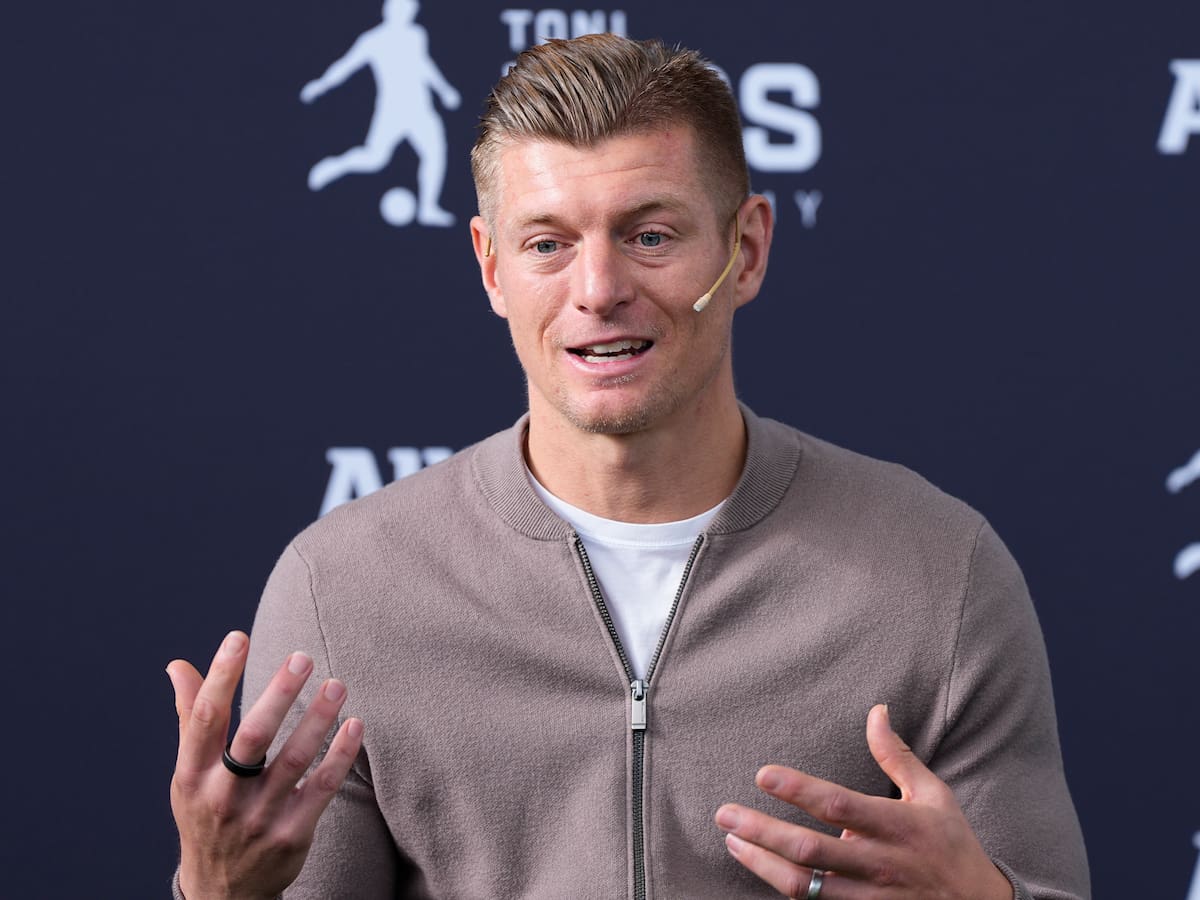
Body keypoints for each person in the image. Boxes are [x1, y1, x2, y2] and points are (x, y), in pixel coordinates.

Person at [167, 34, 1090, 900]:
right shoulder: (344, 590)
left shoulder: (938, 571)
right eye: (547, 244)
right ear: (491, 268)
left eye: (650, 236)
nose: (600, 290)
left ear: (747, 250)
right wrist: (216, 890)